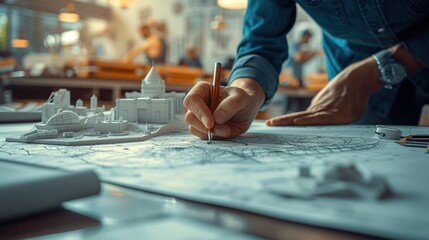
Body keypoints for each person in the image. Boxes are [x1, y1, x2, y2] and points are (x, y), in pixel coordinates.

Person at [184, 0, 428, 140]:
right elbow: (261, 40)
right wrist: (245, 90)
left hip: (356, 81)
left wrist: (377, 70)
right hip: (350, 87)